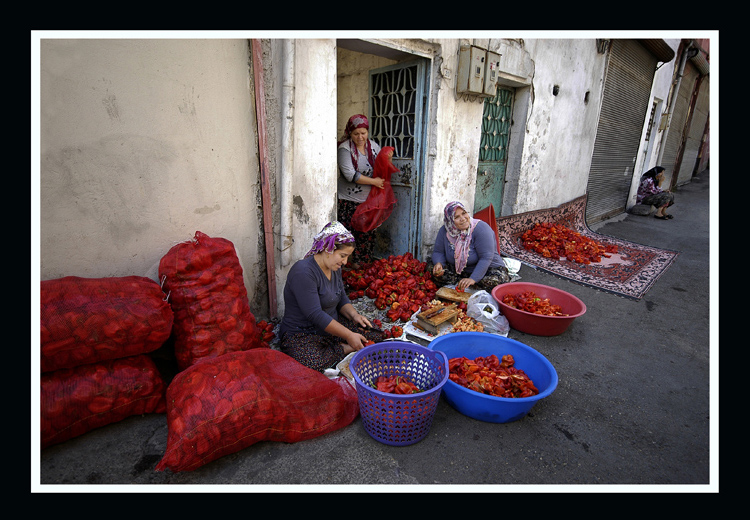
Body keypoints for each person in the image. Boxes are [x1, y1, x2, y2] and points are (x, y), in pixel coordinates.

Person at [279, 221, 384, 372]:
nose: (345, 262)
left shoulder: (334, 267)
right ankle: (344, 348)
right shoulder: (303, 272)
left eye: (347, 257)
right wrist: (348, 335)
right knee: (313, 361)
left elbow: (341, 297)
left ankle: (337, 346)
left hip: (330, 326)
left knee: (375, 333)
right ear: (328, 249)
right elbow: (315, 314)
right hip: (302, 333)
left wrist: (354, 316)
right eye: (342, 256)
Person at [429, 201, 510, 292]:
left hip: (488, 269)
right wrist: (439, 263)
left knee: (493, 282)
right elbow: (438, 252)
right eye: (456, 217)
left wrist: (473, 279)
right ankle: (464, 284)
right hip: (460, 271)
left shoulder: (481, 229)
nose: (463, 219)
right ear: (450, 220)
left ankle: (466, 284)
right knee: (431, 269)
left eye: (464, 213)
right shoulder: (445, 231)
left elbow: (486, 258)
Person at [337, 114, 385, 264]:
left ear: (367, 132)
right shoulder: (345, 149)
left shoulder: (374, 147)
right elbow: (350, 174)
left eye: (363, 133)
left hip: (368, 203)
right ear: (350, 133)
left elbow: (381, 166)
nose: (360, 137)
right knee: (348, 239)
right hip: (348, 202)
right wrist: (374, 182)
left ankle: (363, 270)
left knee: (366, 237)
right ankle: (346, 270)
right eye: (356, 134)